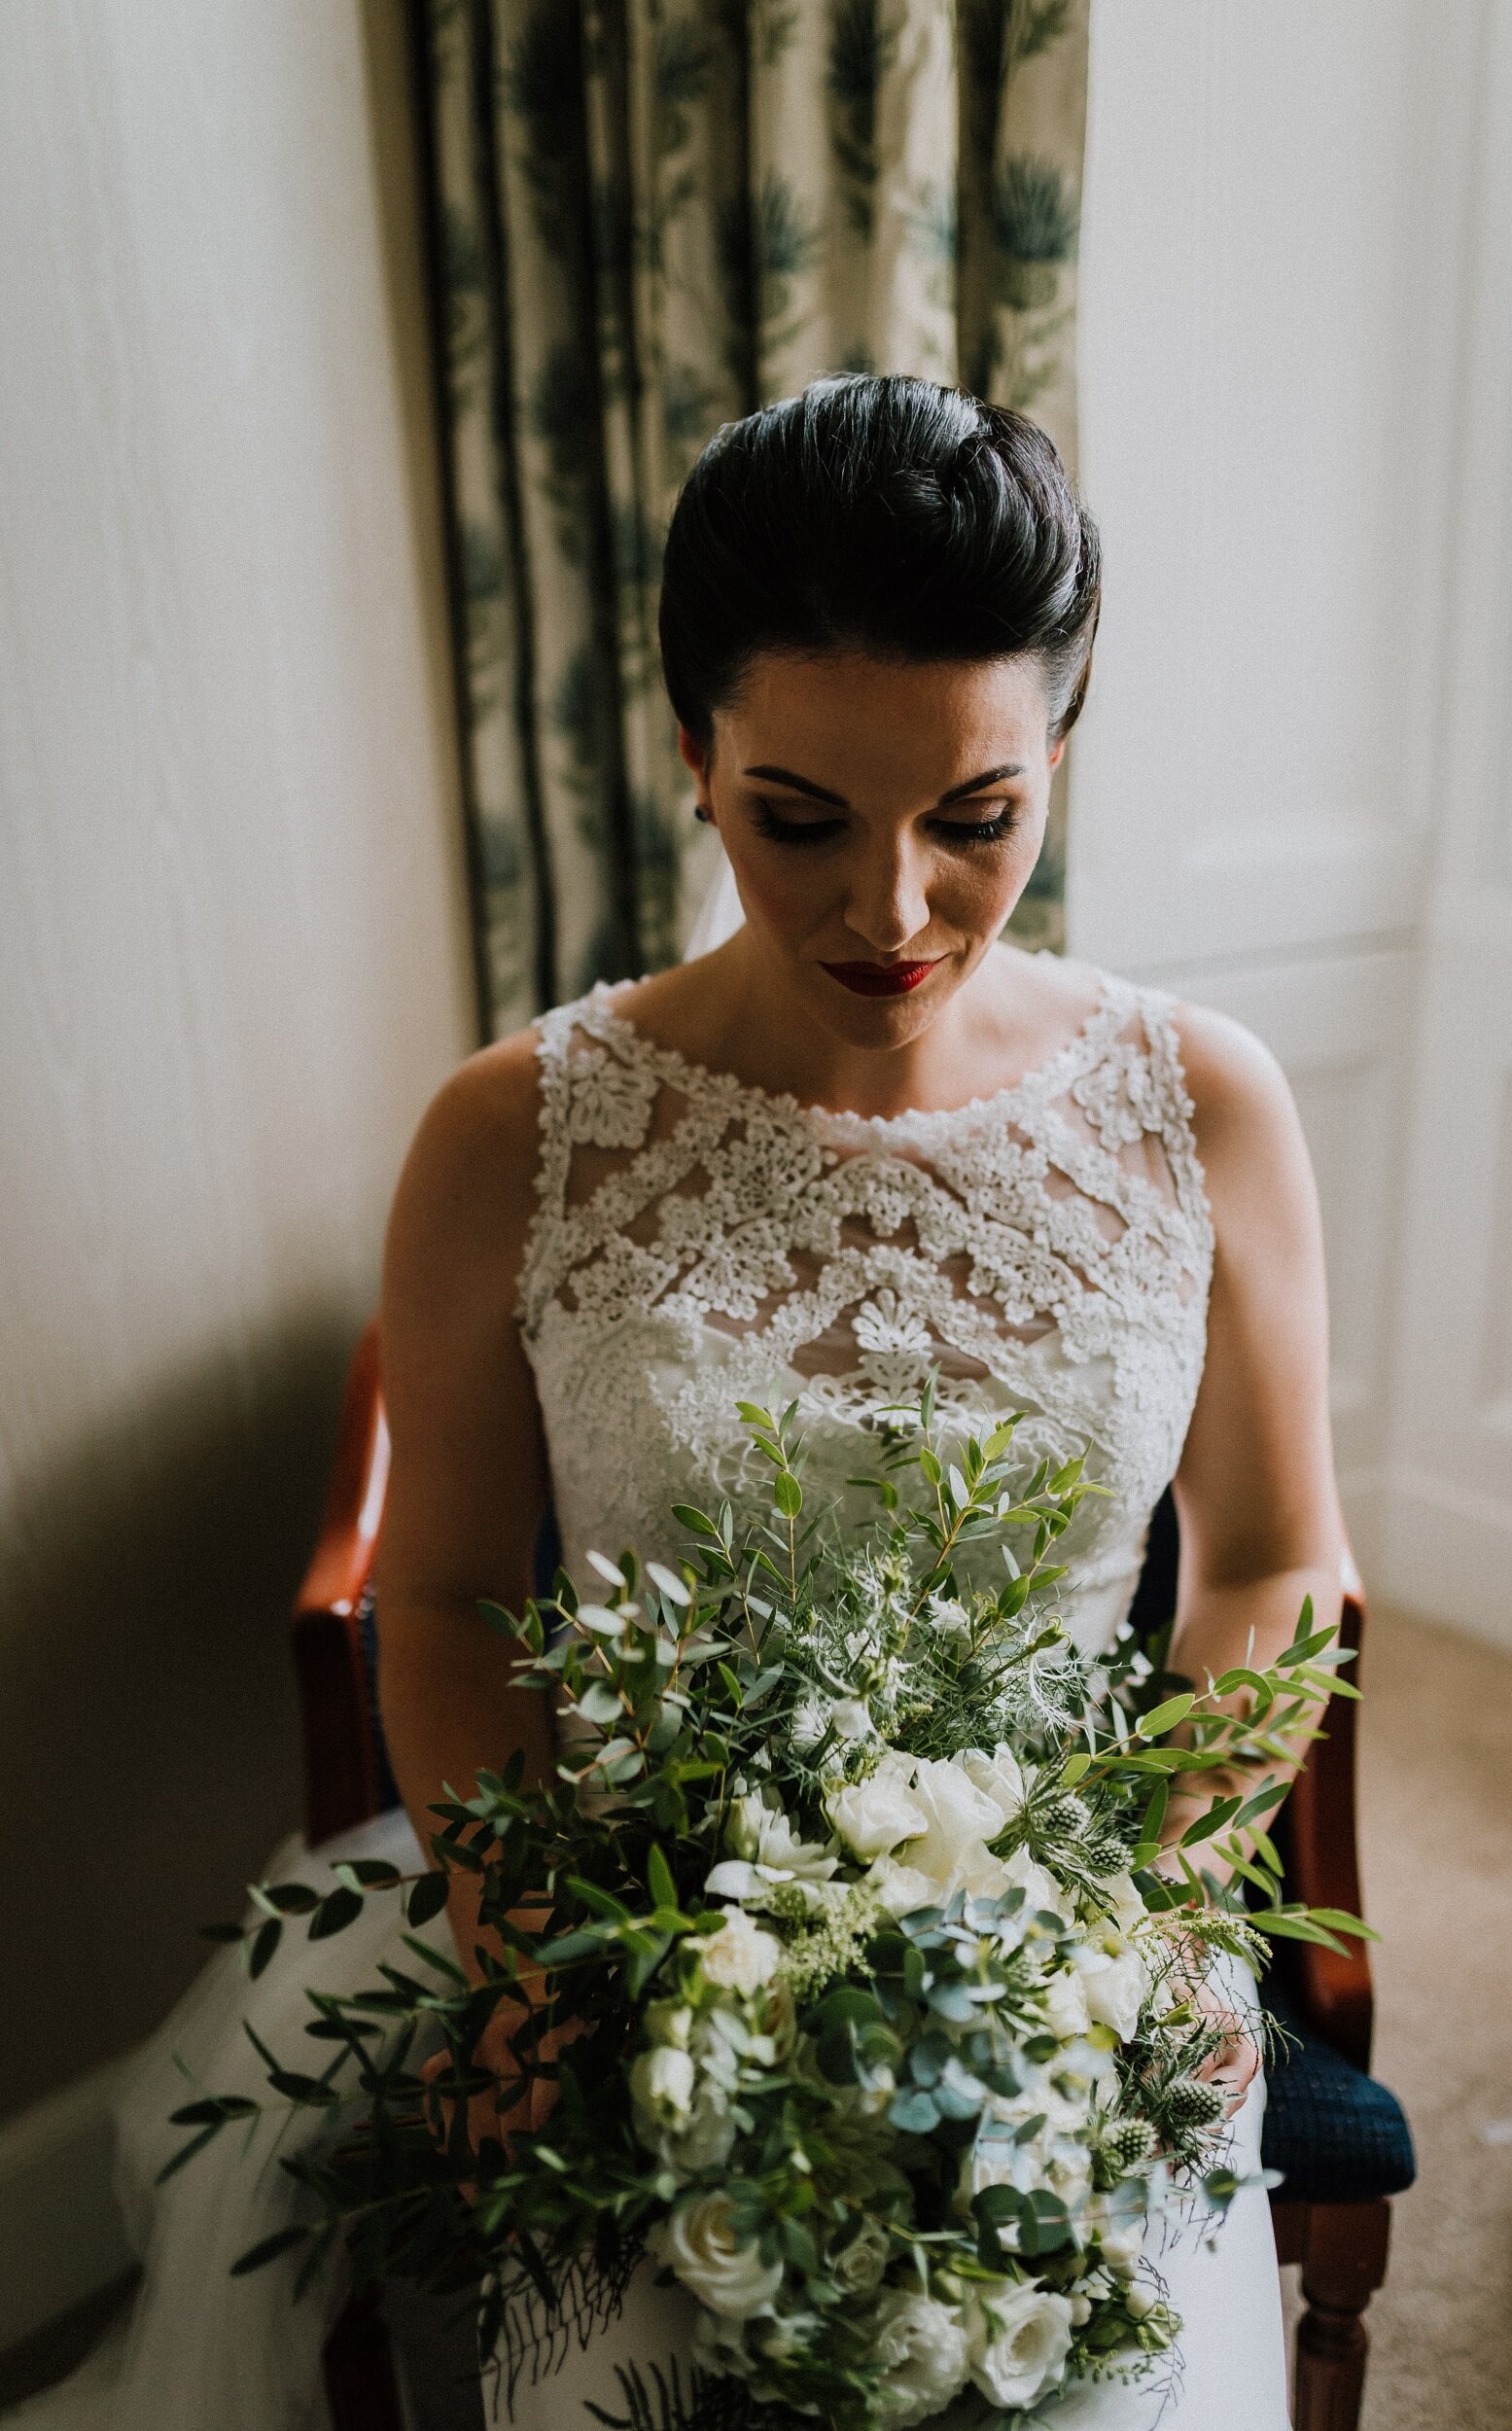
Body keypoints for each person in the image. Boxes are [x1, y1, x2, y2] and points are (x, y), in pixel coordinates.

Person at [11, 375, 1341, 2431]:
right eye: (802, 815)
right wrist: (533, 1941)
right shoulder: (510, 1136)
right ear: (693, 754)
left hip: (1072, 1951)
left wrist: (1164, 1912)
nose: (889, 911)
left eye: (976, 819)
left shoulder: (1205, 1110)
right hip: (635, 1950)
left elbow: (1272, 1553)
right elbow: (442, 1594)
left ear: (1059, 756)